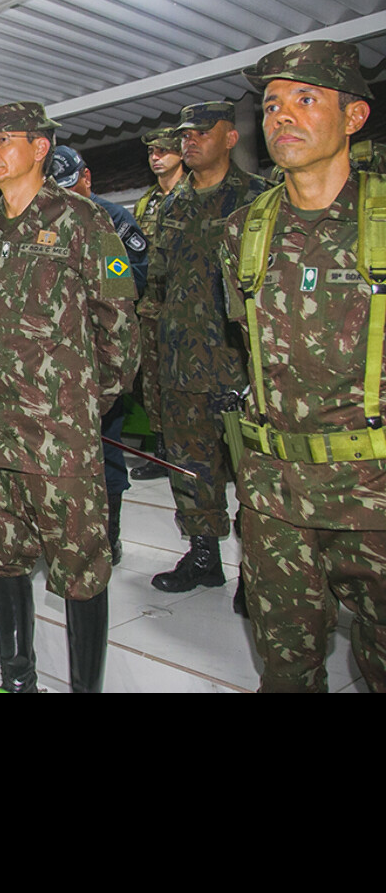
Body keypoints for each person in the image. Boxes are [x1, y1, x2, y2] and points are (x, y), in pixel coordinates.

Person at [222, 39, 385, 692]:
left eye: (306, 98)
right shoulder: (242, 231)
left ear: (353, 117)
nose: (282, 115)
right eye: (271, 104)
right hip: (274, 497)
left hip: (375, 494)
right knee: (286, 671)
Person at [0, 102, 139, 692]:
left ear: (40, 147)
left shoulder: (83, 219)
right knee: (1, 555)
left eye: (4, 139)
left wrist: (86, 401)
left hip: (58, 433)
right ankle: (19, 681)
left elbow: (119, 323)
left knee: (80, 569)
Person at [141, 102, 269, 600]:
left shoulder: (258, 199)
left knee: (250, 471)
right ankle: (204, 556)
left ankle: (257, 574)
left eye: (200, 132)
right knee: (189, 465)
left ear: (231, 138)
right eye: (184, 134)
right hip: (179, 363)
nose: (189, 141)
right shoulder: (172, 205)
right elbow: (157, 287)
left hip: (236, 365)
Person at [49, 144, 149, 563]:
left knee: (105, 447)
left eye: (73, 188)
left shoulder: (111, 221)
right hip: (55, 360)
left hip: (100, 355)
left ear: (86, 178)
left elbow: (129, 284)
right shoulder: (45, 224)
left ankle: (109, 533)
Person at [130, 128, 186, 480]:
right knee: (152, 382)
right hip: (150, 307)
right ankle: (162, 451)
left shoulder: (192, 194)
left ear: (181, 153)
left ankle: (193, 453)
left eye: (164, 150)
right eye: (152, 151)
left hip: (187, 308)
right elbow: (133, 254)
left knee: (186, 383)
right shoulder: (146, 201)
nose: (156, 157)